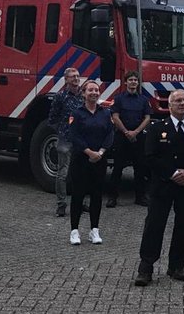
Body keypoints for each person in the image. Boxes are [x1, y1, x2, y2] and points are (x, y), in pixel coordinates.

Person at [134, 90, 184, 286]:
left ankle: (177, 266)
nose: (182, 104)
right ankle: (146, 267)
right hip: (163, 185)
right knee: (154, 225)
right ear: (170, 106)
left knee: (183, 227)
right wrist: (172, 173)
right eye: (178, 101)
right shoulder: (156, 128)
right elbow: (149, 156)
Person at [67, 80, 114, 245]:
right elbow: (74, 135)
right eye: (90, 90)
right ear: (84, 93)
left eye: (96, 90)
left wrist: (100, 152)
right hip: (81, 159)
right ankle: (74, 231)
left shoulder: (105, 113)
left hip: (99, 160)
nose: (94, 92)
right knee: (78, 195)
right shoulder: (76, 113)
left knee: (96, 195)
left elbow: (110, 134)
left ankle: (94, 230)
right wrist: (88, 152)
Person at [107, 71, 151, 208]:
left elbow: (148, 118)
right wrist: (126, 132)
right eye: (130, 80)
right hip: (122, 136)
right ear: (125, 82)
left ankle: (140, 197)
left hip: (138, 137)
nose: (133, 82)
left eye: (135, 80)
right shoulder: (119, 98)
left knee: (140, 168)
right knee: (118, 168)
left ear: (138, 83)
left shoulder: (143, 100)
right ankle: (112, 197)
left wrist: (136, 132)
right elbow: (115, 116)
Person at [48, 67, 83, 217]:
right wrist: (62, 131)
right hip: (65, 139)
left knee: (81, 173)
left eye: (78, 76)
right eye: (73, 77)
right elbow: (52, 118)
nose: (76, 79)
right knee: (63, 173)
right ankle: (61, 204)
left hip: (81, 140)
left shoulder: (84, 96)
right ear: (66, 80)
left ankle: (79, 202)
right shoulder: (60, 97)